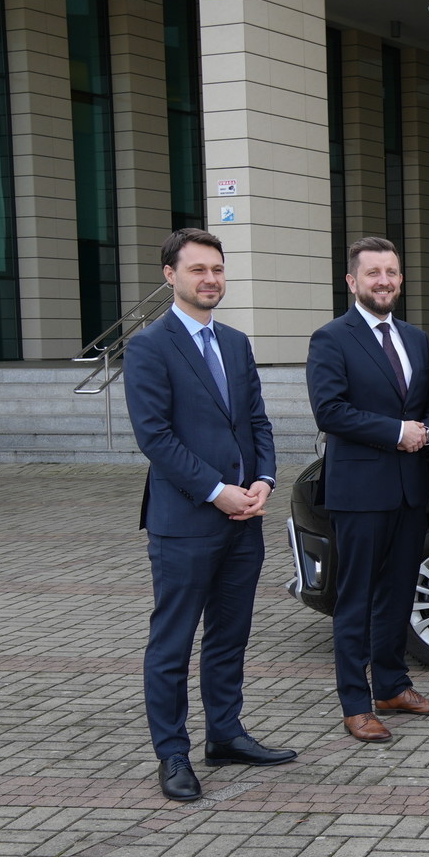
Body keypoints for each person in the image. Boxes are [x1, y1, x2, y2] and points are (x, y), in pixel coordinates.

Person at [124, 228, 297, 801]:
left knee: (230, 635)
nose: (210, 279)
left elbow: (257, 421)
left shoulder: (236, 343)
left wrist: (264, 480)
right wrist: (216, 490)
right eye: (198, 269)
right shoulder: (150, 347)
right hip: (186, 522)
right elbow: (155, 436)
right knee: (172, 643)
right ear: (170, 275)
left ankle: (225, 734)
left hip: (244, 519)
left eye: (217, 269)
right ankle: (172, 753)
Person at [306, 236, 429, 744]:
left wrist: (427, 431)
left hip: (410, 490)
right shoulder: (331, 338)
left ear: (401, 279)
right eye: (373, 273)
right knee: (356, 600)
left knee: (397, 594)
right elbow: (330, 410)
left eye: (391, 272)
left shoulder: (415, 338)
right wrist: (396, 432)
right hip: (360, 492)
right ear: (353, 281)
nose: (384, 281)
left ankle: (392, 687)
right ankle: (355, 704)